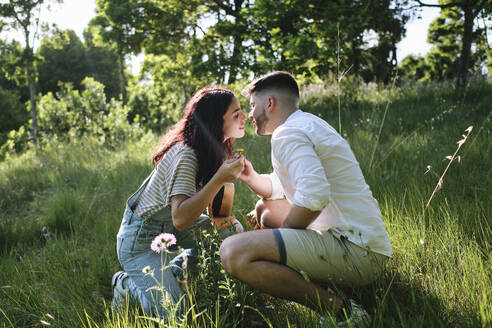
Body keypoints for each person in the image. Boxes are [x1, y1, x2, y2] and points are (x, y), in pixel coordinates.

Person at [219, 72, 392, 327]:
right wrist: (251, 177)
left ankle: (341, 310)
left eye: (253, 105)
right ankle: (309, 286)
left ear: (270, 103)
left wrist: (287, 235)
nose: (250, 114)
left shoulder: (287, 134)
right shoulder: (307, 124)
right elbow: (287, 189)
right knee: (264, 210)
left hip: (357, 252)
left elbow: (314, 195)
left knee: (232, 252)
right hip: (367, 246)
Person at [112, 87, 247, 320]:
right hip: (141, 240)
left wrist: (225, 184)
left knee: (231, 234)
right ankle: (126, 287)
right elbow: (181, 218)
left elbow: (200, 206)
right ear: (217, 121)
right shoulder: (187, 156)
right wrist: (219, 179)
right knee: (177, 315)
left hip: (173, 228)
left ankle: (173, 272)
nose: (244, 117)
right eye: (236, 114)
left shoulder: (213, 148)